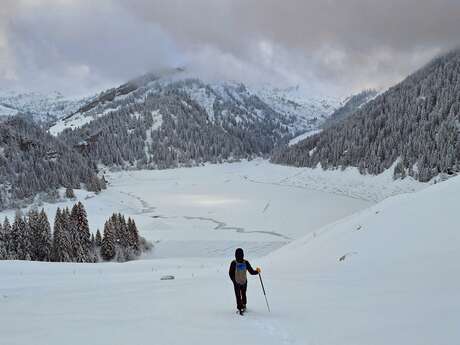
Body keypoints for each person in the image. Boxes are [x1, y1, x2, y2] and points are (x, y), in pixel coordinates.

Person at [228, 248, 261, 314]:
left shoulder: (233, 263)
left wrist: (234, 281)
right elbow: (251, 272)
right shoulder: (246, 262)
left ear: (235, 255)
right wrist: (257, 271)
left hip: (237, 282)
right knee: (243, 293)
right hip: (244, 281)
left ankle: (240, 308)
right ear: (243, 254)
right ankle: (244, 305)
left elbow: (230, 273)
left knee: (238, 295)